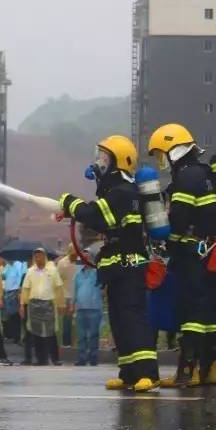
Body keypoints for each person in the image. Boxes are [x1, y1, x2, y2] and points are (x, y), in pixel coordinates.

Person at [147, 123, 216, 388]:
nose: (162, 160)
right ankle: (209, 369)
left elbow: (179, 219)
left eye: (162, 153)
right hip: (212, 254)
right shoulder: (206, 173)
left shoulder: (185, 177)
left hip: (193, 256)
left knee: (191, 313)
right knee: (209, 314)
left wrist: (164, 238)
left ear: (174, 150)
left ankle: (186, 372)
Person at [57, 134, 159, 390]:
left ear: (119, 163)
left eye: (104, 158)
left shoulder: (124, 192)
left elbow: (95, 215)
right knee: (118, 318)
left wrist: (69, 201)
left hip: (130, 266)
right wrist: (71, 209)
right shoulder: (116, 192)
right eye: (99, 156)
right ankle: (128, 373)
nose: (99, 163)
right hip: (117, 267)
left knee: (133, 317)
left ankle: (148, 373)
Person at [19, 247, 63, 366]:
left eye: (40, 255)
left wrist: (60, 304)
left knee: (51, 332)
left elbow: (58, 288)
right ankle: (41, 359)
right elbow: (25, 289)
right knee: (36, 333)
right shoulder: (30, 271)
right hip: (34, 304)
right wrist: (22, 305)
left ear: (44, 256)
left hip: (48, 303)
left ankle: (55, 358)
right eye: (36, 256)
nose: (38, 258)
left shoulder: (52, 270)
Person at [72, 255, 104, 366]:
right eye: (84, 258)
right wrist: (72, 304)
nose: (86, 260)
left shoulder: (97, 273)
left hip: (94, 308)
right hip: (81, 309)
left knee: (94, 335)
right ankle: (82, 358)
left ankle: (93, 358)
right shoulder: (78, 274)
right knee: (81, 336)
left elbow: (103, 287)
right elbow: (75, 290)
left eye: (88, 258)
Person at [54, 248, 78, 348]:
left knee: (76, 322)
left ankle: (74, 342)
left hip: (77, 295)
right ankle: (66, 342)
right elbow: (57, 279)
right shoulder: (62, 263)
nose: (75, 255)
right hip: (67, 295)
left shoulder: (79, 262)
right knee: (67, 321)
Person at [1, 256, 27, 344]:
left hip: (15, 292)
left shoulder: (19, 265)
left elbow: (20, 279)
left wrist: (19, 292)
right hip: (8, 293)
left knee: (16, 316)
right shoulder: (8, 266)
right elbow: (3, 275)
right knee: (11, 316)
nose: (6, 259)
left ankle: (18, 337)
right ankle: (13, 335)